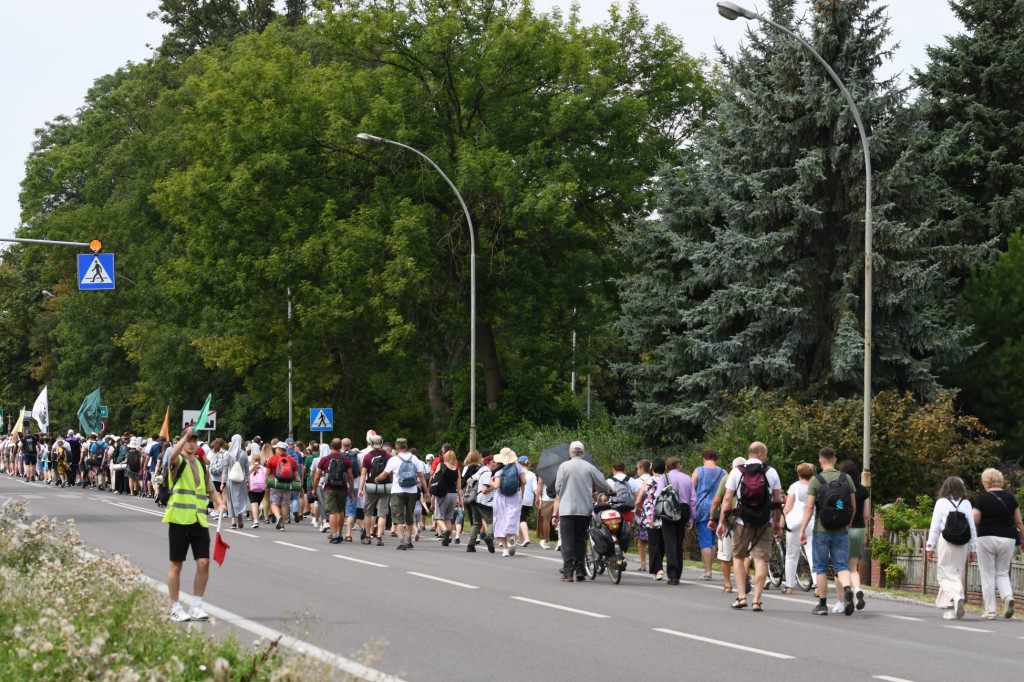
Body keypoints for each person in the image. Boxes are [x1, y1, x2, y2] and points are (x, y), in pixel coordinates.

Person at [163, 427, 228, 622]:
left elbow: (211, 490)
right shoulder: (177, 461)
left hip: (199, 521)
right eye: (189, 439)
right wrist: (184, 436)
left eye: (195, 440)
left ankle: (196, 606)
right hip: (179, 519)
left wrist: (220, 503)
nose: (192, 443)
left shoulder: (201, 464)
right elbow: (172, 455)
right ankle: (175, 607)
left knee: (204, 562)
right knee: (177, 564)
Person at [717, 442, 782, 612]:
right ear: (760, 455)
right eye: (766, 454)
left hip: (741, 522)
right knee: (761, 559)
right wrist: (776, 523)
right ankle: (757, 600)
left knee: (738, 557)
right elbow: (777, 502)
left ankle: (741, 597)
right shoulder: (771, 472)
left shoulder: (736, 472)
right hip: (764, 521)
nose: (766, 457)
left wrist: (722, 522)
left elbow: (726, 499)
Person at [800, 447, 857, 616]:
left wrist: (803, 529)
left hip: (821, 530)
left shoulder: (816, 480)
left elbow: (810, 506)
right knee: (841, 565)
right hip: (841, 530)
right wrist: (848, 522)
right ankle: (847, 589)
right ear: (835, 459)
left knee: (821, 568)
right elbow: (850, 505)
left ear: (820, 461)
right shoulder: (845, 478)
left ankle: (822, 605)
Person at [553, 441, 611, 582]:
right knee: (580, 540)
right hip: (584, 509)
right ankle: (580, 570)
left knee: (567, 541)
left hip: (567, 509)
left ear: (570, 453)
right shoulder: (589, 467)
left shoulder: (563, 466)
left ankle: (567, 572)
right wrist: (609, 490)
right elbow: (602, 482)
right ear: (583, 453)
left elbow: (557, 487)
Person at [973, 468, 1024, 619]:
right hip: (1008, 538)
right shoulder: (1010, 498)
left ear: (986, 481)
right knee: (1002, 572)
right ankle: (1008, 597)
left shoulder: (983, 499)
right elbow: (1019, 521)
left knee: (987, 573)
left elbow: (974, 520)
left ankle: (990, 611)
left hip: (987, 537)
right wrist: (1023, 539)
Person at [926, 476, 978, 620]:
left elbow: (935, 526)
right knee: (956, 573)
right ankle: (950, 609)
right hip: (963, 543)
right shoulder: (967, 503)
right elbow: (972, 527)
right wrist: (973, 548)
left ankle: (956, 596)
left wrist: (929, 546)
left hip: (946, 541)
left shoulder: (941, 502)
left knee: (943, 575)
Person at [377, 438, 427, 550]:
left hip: (398, 491)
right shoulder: (415, 459)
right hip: (412, 491)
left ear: (397, 447)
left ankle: (402, 542)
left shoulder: (393, 460)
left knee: (398, 517)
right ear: (406, 446)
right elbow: (421, 476)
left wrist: (376, 479)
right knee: (409, 516)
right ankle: (409, 541)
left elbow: (384, 475)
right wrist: (426, 491)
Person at [658, 457, 697, 585]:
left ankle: (673, 574)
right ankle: (678, 572)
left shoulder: (663, 478)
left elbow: (658, 496)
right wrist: (691, 518)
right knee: (679, 541)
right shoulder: (687, 478)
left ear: (666, 467)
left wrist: (655, 514)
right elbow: (693, 500)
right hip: (683, 509)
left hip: (669, 509)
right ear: (678, 465)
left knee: (670, 542)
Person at [839, 459, 870, 611]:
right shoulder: (864, 491)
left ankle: (841, 603)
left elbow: (839, 508)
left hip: (844, 529)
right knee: (853, 568)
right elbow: (866, 514)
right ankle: (857, 589)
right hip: (859, 530)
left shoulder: (841, 490)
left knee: (841, 567)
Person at [781, 462, 816, 594]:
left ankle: (789, 586)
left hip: (796, 524)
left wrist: (781, 521)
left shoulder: (794, 487)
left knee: (791, 555)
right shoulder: (816, 486)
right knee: (812, 553)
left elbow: (788, 507)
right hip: (811, 522)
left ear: (799, 474)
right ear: (812, 474)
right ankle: (817, 585)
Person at [692, 450, 726, 580]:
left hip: (703, 508)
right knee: (712, 540)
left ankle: (707, 571)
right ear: (715, 459)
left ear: (704, 458)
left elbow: (691, 488)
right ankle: (710, 568)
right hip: (719, 508)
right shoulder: (723, 472)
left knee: (705, 540)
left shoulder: (699, 471)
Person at [313, 438, 356, 544]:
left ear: (331, 446)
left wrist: (314, 489)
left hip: (329, 488)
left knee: (332, 512)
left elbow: (317, 476)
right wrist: (351, 491)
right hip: (342, 488)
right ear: (340, 446)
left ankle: (335, 534)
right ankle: (340, 533)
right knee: (341, 511)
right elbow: (350, 476)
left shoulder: (325, 459)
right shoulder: (346, 459)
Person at [491, 447, 526, 557]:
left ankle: (505, 549)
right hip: (514, 497)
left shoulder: (498, 470)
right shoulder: (518, 467)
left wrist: (491, 482)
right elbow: (524, 481)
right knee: (511, 519)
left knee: (500, 521)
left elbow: (496, 486)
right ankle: (512, 538)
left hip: (500, 498)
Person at [359, 434, 390, 546]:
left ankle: (368, 536)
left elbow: (363, 474)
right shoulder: (387, 456)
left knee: (368, 512)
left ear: (371, 444)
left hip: (371, 487)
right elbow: (390, 474)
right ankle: (379, 538)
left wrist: (361, 489)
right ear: (381, 443)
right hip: (385, 487)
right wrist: (390, 485)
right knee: (382, 513)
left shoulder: (367, 457)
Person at [466, 455, 497, 553]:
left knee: (476, 523)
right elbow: (484, 490)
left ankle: (471, 545)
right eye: (493, 462)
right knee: (491, 521)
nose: (495, 464)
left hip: (474, 499)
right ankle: (488, 537)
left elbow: (468, 481)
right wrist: (494, 486)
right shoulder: (488, 473)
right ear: (487, 463)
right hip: (483, 501)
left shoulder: (480, 471)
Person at [432, 449, 462, 546]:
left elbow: (434, 477)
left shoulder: (441, 465)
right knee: (448, 518)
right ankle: (449, 538)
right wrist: (461, 499)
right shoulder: (457, 470)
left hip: (443, 493)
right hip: (453, 494)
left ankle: (445, 531)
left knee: (438, 516)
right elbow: (459, 487)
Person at [266, 442, 297, 531]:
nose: (275, 450)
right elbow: (296, 475)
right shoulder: (291, 460)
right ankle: (282, 525)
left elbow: (267, 474)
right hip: (288, 484)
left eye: (276, 448)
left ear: (280, 449)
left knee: (274, 503)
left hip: (276, 484)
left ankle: (278, 517)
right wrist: (300, 486)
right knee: (284, 503)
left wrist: (266, 484)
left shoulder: (272, 459)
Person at [222, 434, 249, 529]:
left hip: (230, 480)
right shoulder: (244, 454)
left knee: (231, 500)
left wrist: (222, 483)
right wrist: (248, 482)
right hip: (241, 480)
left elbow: (224, 470)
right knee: (241, 498)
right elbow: (247, 470)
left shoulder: (227, 454)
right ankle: (240, 514)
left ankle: (233, 522)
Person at [632, 459, 654, 572]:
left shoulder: (637, 482)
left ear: (642, 469)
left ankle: (643, 563)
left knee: (641, 540)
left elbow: (637, 498)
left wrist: (636, 509)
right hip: (654, 514)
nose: (637, 471)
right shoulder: (654, 479)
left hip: (641, 513)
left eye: (638, 468)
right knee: (654, 539)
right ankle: (655, 563)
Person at [518, 455, 537, 547]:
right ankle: (520, 539)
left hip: (521, 498)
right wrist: (538, 498)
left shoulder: (518, 473)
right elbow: (535, 489)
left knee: (521, 519)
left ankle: (526, 538)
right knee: (522, 517)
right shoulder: (532, 475)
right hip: (529, 500)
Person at [247, 452, 267, 528]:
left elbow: (247, 477)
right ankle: (256, 517)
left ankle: (255, 520)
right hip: (261, 489)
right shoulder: (264, 469)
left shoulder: (249, 469)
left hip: (252, 488)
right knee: (257, 504)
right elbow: (266, 478)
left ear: (252, 460)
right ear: (260, 460)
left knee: (253, 504)